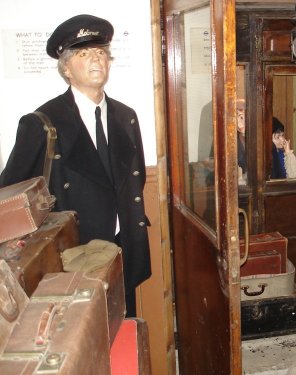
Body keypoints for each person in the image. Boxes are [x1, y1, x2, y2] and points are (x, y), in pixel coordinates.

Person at [0, 14, 151, 317]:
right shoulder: (42, 124)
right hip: (75, 256)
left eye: (101, 52)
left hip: (124, 247)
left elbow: (137, 178)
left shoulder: (126, 116)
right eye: (83, 53)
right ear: (66, 68)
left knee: (125, 328)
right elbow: (10, 193)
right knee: (85, 338)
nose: (96, 59)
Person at [236, 99, 247, 184]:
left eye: (242, 117)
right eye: (236, 117)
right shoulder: (231, 141)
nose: (239, 122)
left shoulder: (259, 140)